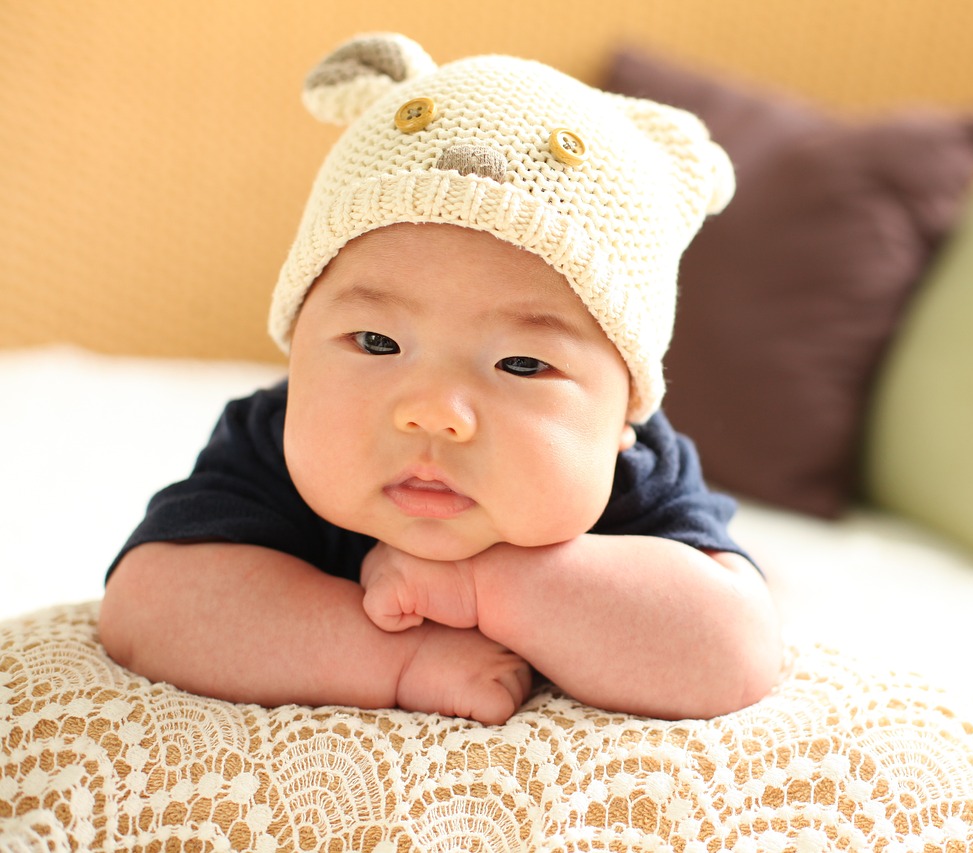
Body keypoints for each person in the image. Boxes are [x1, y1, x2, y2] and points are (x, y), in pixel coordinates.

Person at [98, 33, 781, 726]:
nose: (432, 412)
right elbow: (148, 603)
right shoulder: (272, 439)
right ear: (297, 351)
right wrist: (397, 657)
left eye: (521, 363)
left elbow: (734, 650)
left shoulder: (638, 472)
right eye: (375, 341)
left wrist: (484, 586)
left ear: (621, 419)